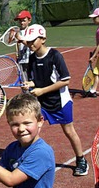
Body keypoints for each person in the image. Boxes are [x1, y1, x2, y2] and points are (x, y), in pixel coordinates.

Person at [20, 24, 89, 177]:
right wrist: (30, 84)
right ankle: (29, 159)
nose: (30, 44)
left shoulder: (55, 55)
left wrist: (41, 90)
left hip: (60, 102)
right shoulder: (31, 58)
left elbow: (65, 80)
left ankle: (81, 159)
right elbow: (36, 80)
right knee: (32, 129)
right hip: (42, 103)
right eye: (28, 41)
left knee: (69, 131)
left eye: (33, 41)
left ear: (43, 38)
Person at [14, 10, 33, 82]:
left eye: (24, 20)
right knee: (23, 82)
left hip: (31, 59)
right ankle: (25, 93)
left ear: (29, 20)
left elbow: (31, 45)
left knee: (33, 80)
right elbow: (17, 46)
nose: (21, 23)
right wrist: (17, 56)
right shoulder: (18, 32)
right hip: (21, 60)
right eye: (20, 21)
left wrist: (21, 39)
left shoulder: (32, 30)